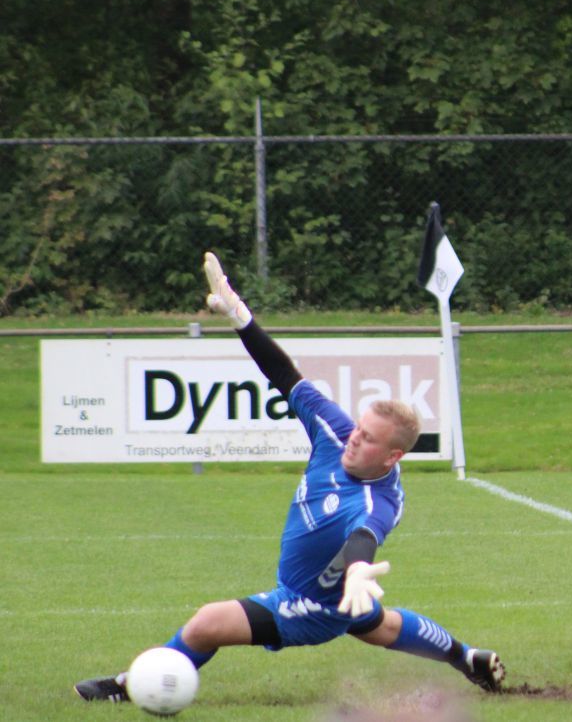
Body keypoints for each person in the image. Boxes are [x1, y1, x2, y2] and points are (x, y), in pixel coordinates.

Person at [75, 252, 505, 704]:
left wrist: (360, 570)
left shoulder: (377, 500)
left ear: (392, 456)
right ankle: (468, 657)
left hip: (309, 603)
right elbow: (284, 374)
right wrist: (241, 317)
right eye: (358, 428)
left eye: (369, 439)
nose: (355, 439)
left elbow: (364, 536)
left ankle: (130, 686)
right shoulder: (335, 431)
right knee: (380, 625)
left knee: (206, 624)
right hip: (338, 592)